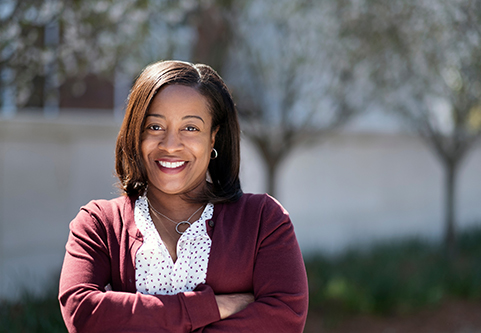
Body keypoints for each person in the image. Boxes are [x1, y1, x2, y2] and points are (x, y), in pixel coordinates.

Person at [58, 60, 308, 332]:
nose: (170, 145)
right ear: (136, 134)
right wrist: (211, 307)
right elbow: (82, 311)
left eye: (190, 128)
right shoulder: (99, 223)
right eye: (154, 127)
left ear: (213, 137)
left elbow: (285, 318)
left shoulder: (263, 219)